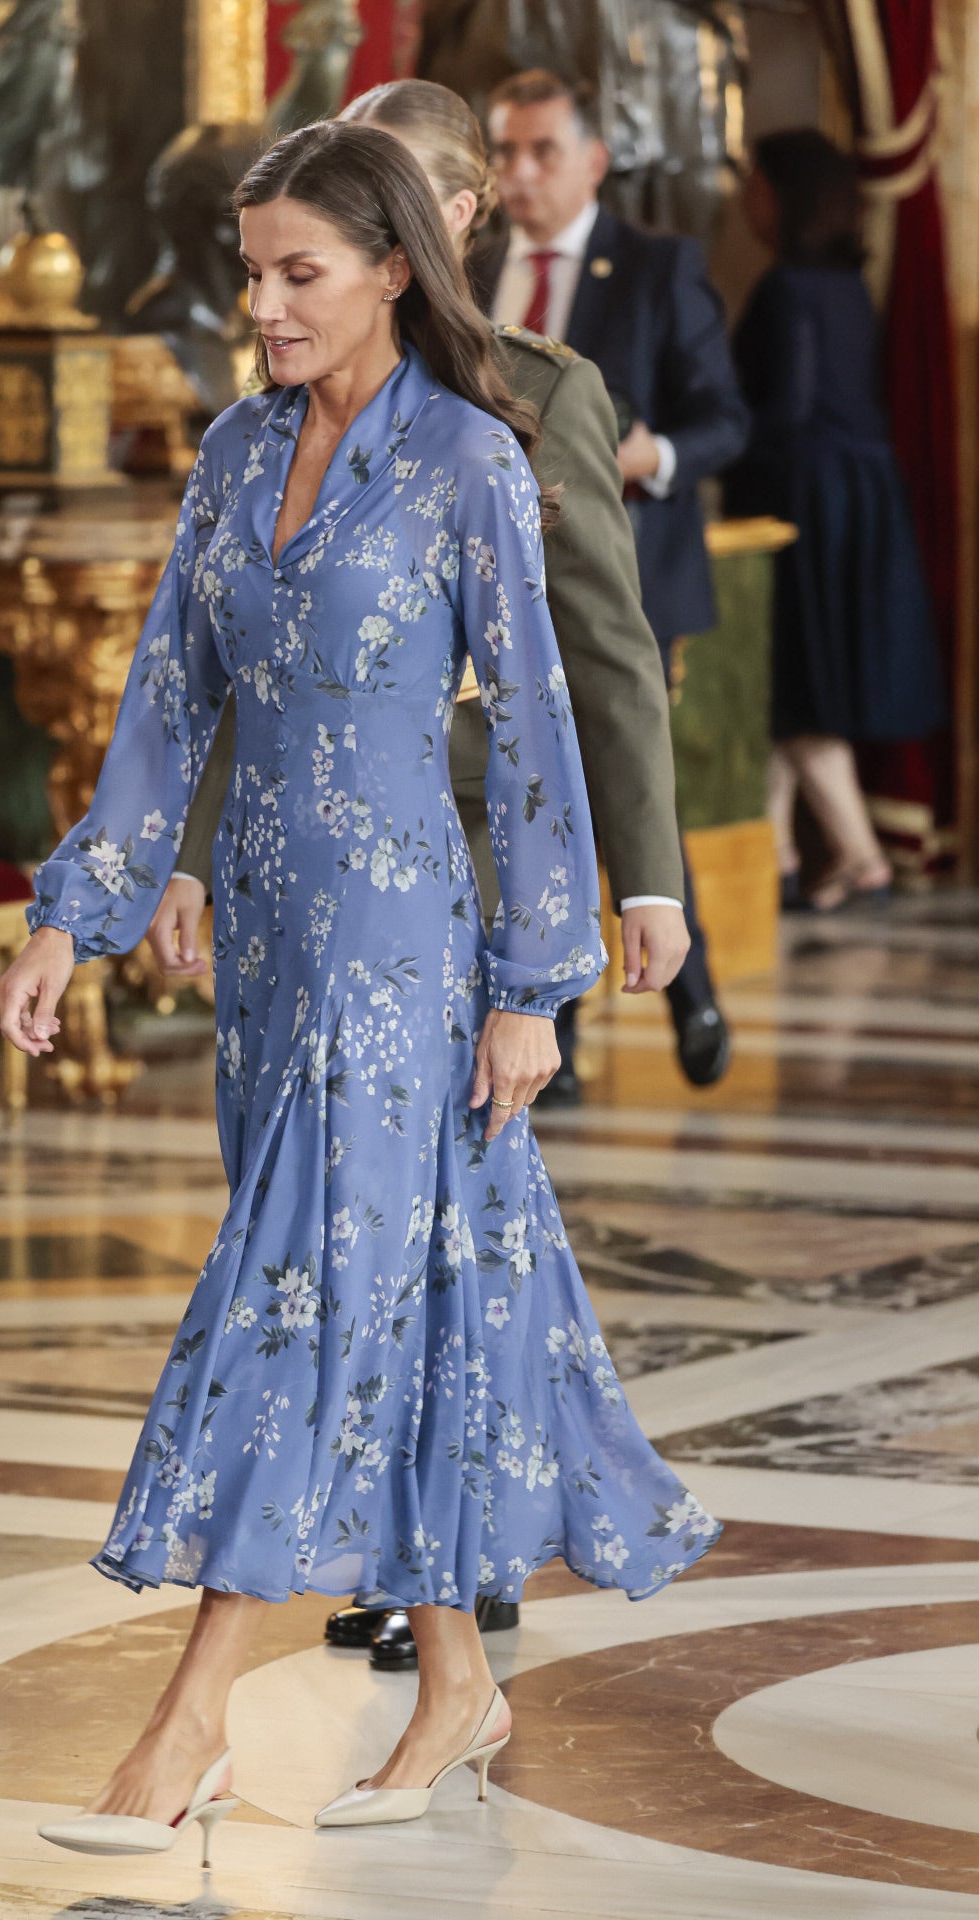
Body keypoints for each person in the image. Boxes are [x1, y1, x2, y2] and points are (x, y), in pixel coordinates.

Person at [0, 119, 718, 1863]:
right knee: (407, 1304)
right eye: (252, 273)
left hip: (408, 950)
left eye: (297, 273)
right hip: (265, 947)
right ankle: (456, 1682)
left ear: (395, 267)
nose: (263, 305)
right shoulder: (238, 455)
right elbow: (169, 692)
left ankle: (184, 1731)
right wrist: (70, 915)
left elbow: (540, 718)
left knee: (297, 1307)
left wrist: (541, 978)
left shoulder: (473, 459)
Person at [149, 76, 691, 1673]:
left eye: (300, 265)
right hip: (286, 894)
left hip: (460, 886)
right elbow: (227, 665)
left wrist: (632, 889)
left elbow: (594, 658)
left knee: (344, 1249)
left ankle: (208, 1704)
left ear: (429, 229)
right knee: (444, 1245)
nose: (267, 303)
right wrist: (174, 857)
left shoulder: (532, 403)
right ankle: (450, 1628)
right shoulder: (258, 427)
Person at [477, 67, 751, 1089]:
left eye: (541, 150)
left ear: (590, 160)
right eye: (503, 151)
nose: (520, 172)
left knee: (608, 775)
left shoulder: (654, 267)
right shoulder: (469, 266)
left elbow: (725, 418)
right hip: (498, 587)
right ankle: (562, 1026)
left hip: (624, 578)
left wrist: (644, 457)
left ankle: (684, 983)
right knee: (532, 782)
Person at [726, 129, 946, 912]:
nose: (744, 199)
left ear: (783, 195)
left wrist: (711, 443)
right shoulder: (849, 286)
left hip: (805, 504)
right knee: (790, 685)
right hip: (857, 501)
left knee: (796, 685)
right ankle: (780, 854)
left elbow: (784, 413)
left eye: (753, 182)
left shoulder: (788, 289)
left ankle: (856, 853)